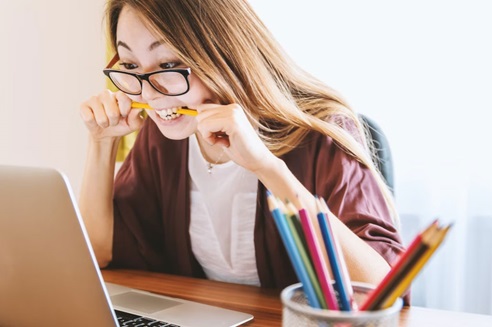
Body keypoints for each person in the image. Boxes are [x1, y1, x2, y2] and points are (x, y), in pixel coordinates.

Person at [79, 0, 405, 292]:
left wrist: (267, 167)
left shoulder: (322, 133)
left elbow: (381, 291)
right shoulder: (164, 137)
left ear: (223, 54)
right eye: (131, 66)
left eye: (168, 65)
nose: (148, 94)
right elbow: (98, 252)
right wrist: (102, 143)